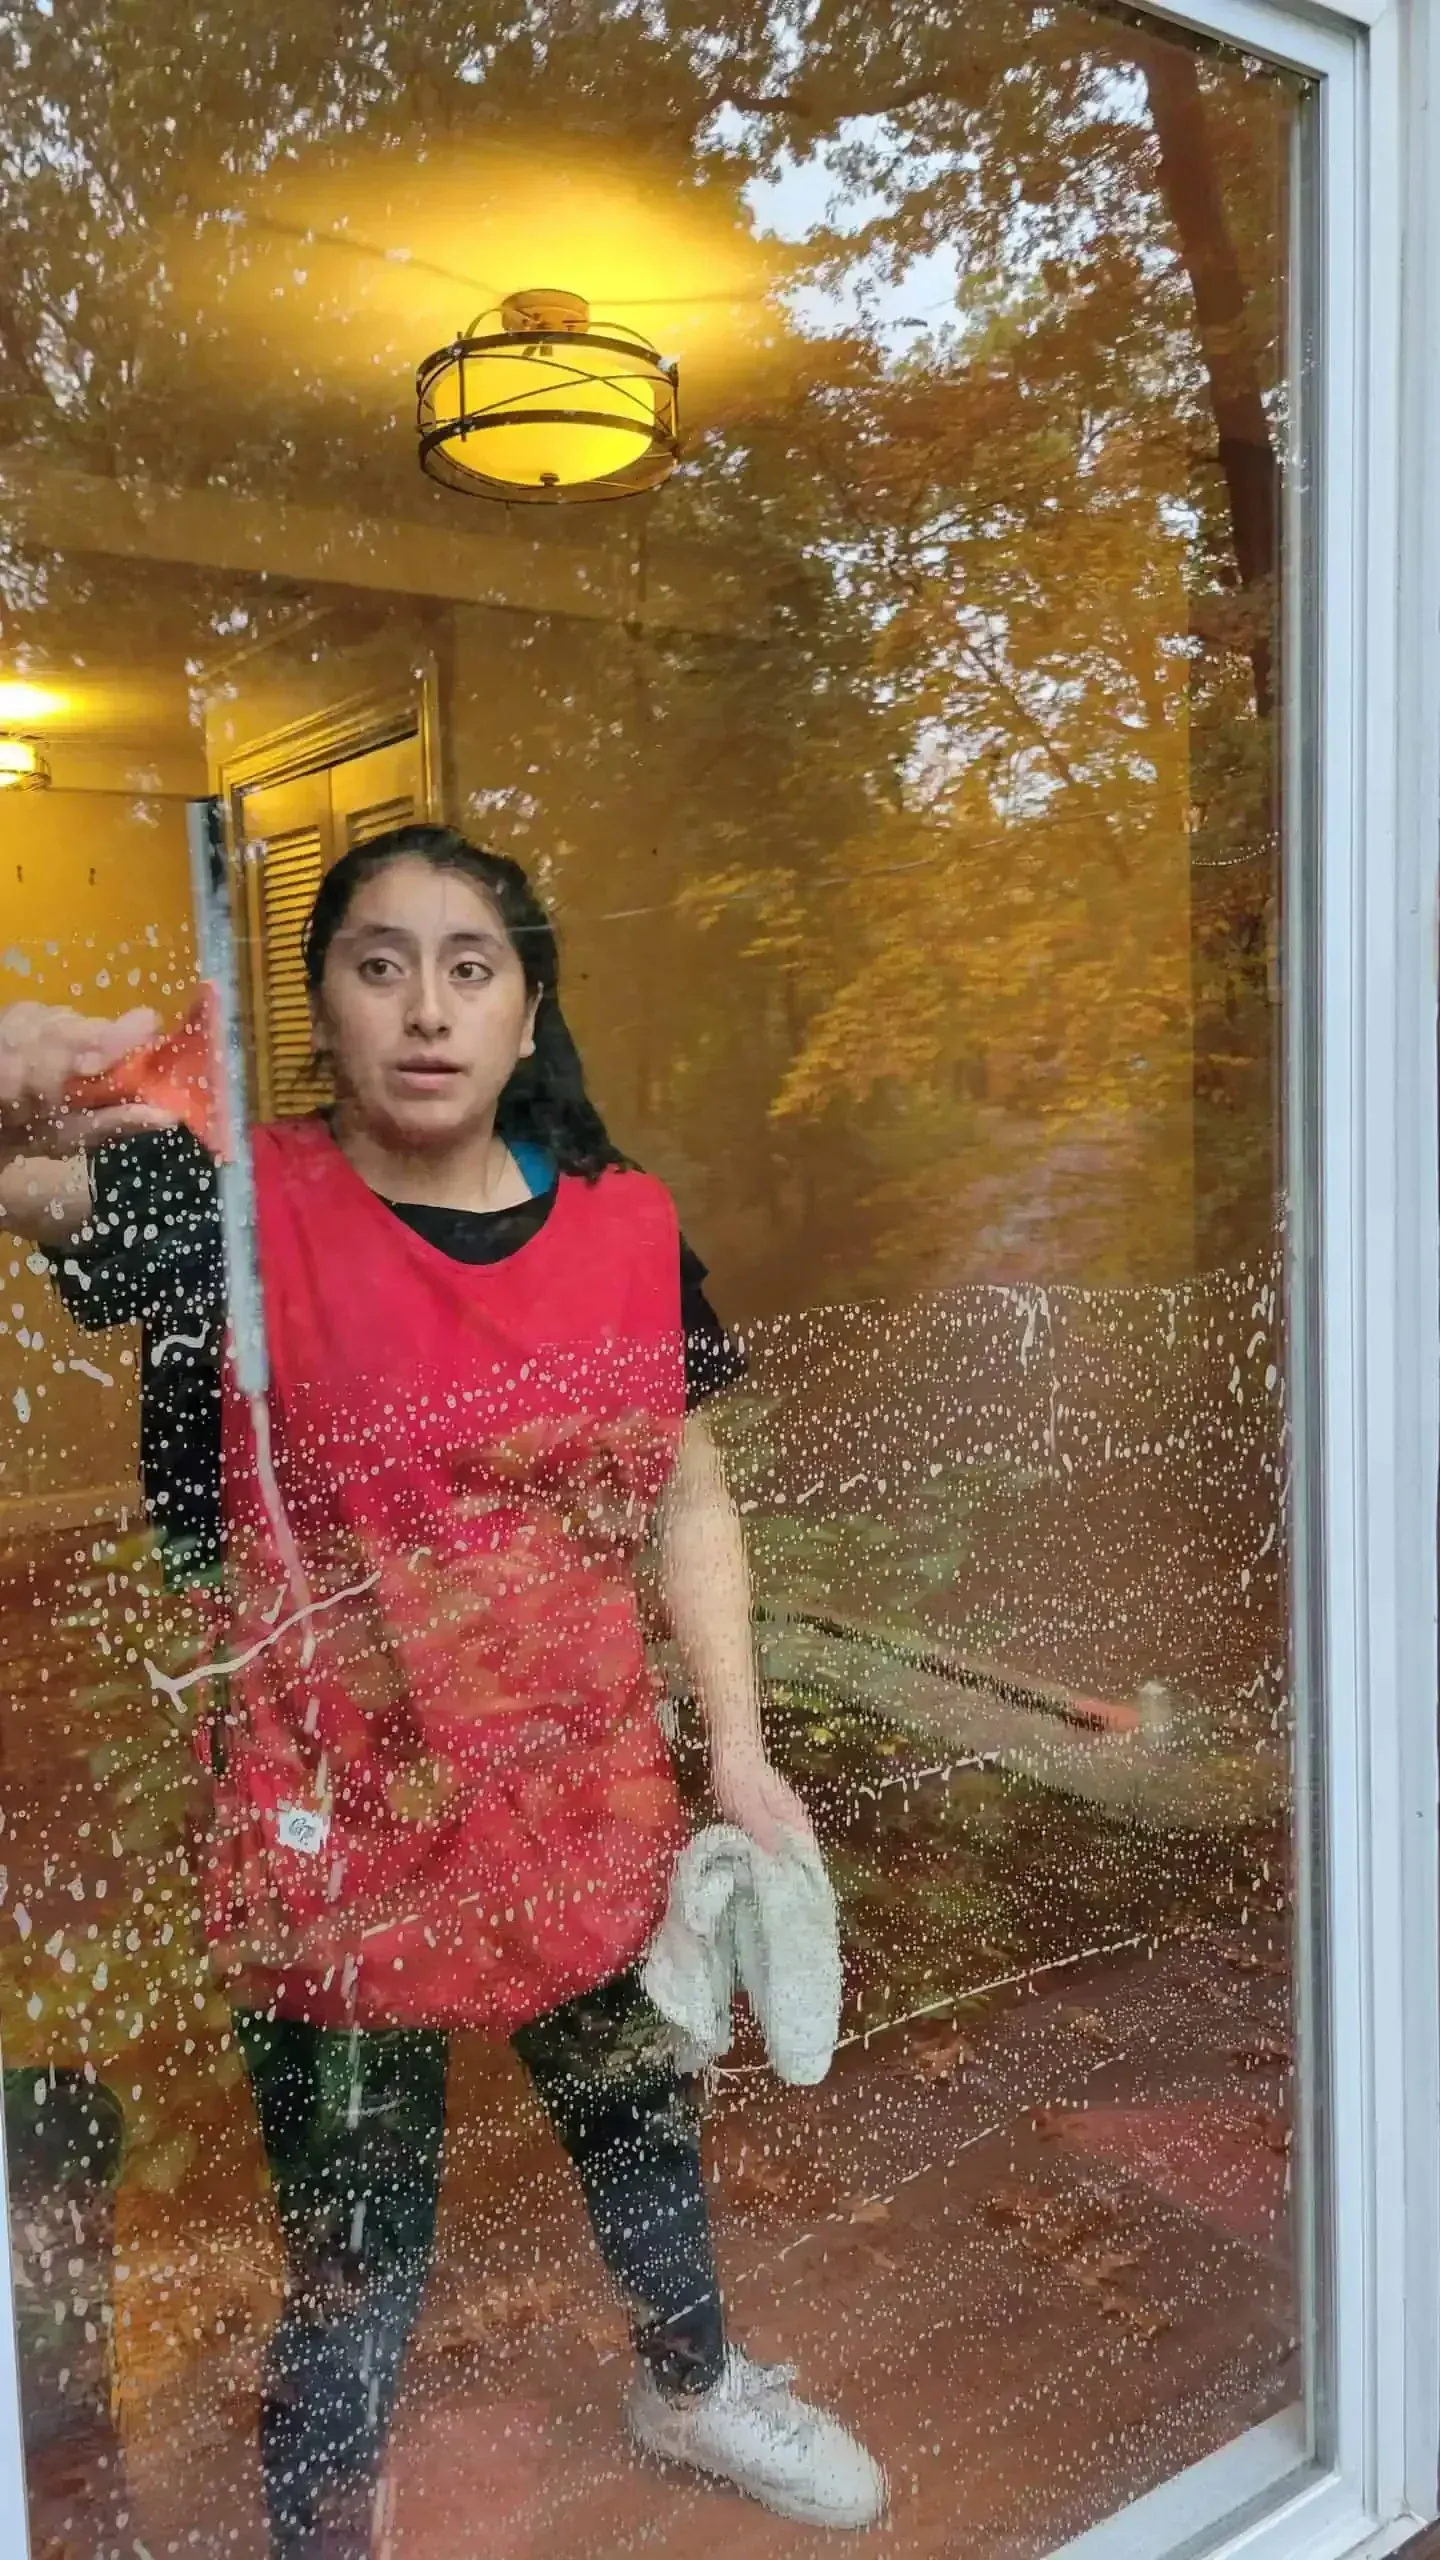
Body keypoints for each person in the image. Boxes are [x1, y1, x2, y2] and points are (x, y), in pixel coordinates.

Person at [0, 826, 885, 2556]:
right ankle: (325, 2530)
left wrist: (743, 1752)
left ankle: (690, 2383)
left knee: (638, 2125)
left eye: (468, 966)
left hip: (581, 1787)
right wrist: (18, 1078)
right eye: (377, 962)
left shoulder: (629, 1226)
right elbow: (32, 1184)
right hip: (334, 1813)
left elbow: (691, 1494)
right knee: (355, 2235)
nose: (424, 1006)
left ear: (526, 1005)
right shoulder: (233, 1208)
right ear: (321, 1005)